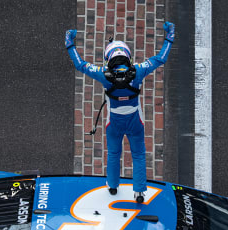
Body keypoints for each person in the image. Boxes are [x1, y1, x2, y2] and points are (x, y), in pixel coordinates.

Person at [65, 22, 175, 203]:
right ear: (128, 57)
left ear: (109, 59)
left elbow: (80, 65)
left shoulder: (102, 74)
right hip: (135, 121)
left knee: (114, 154)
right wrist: (170, 36)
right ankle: (139, 192)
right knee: (138, 154)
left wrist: (69, 42)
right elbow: (160, 59)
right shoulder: (138, 71)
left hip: (114, 123)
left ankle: (113, 186)